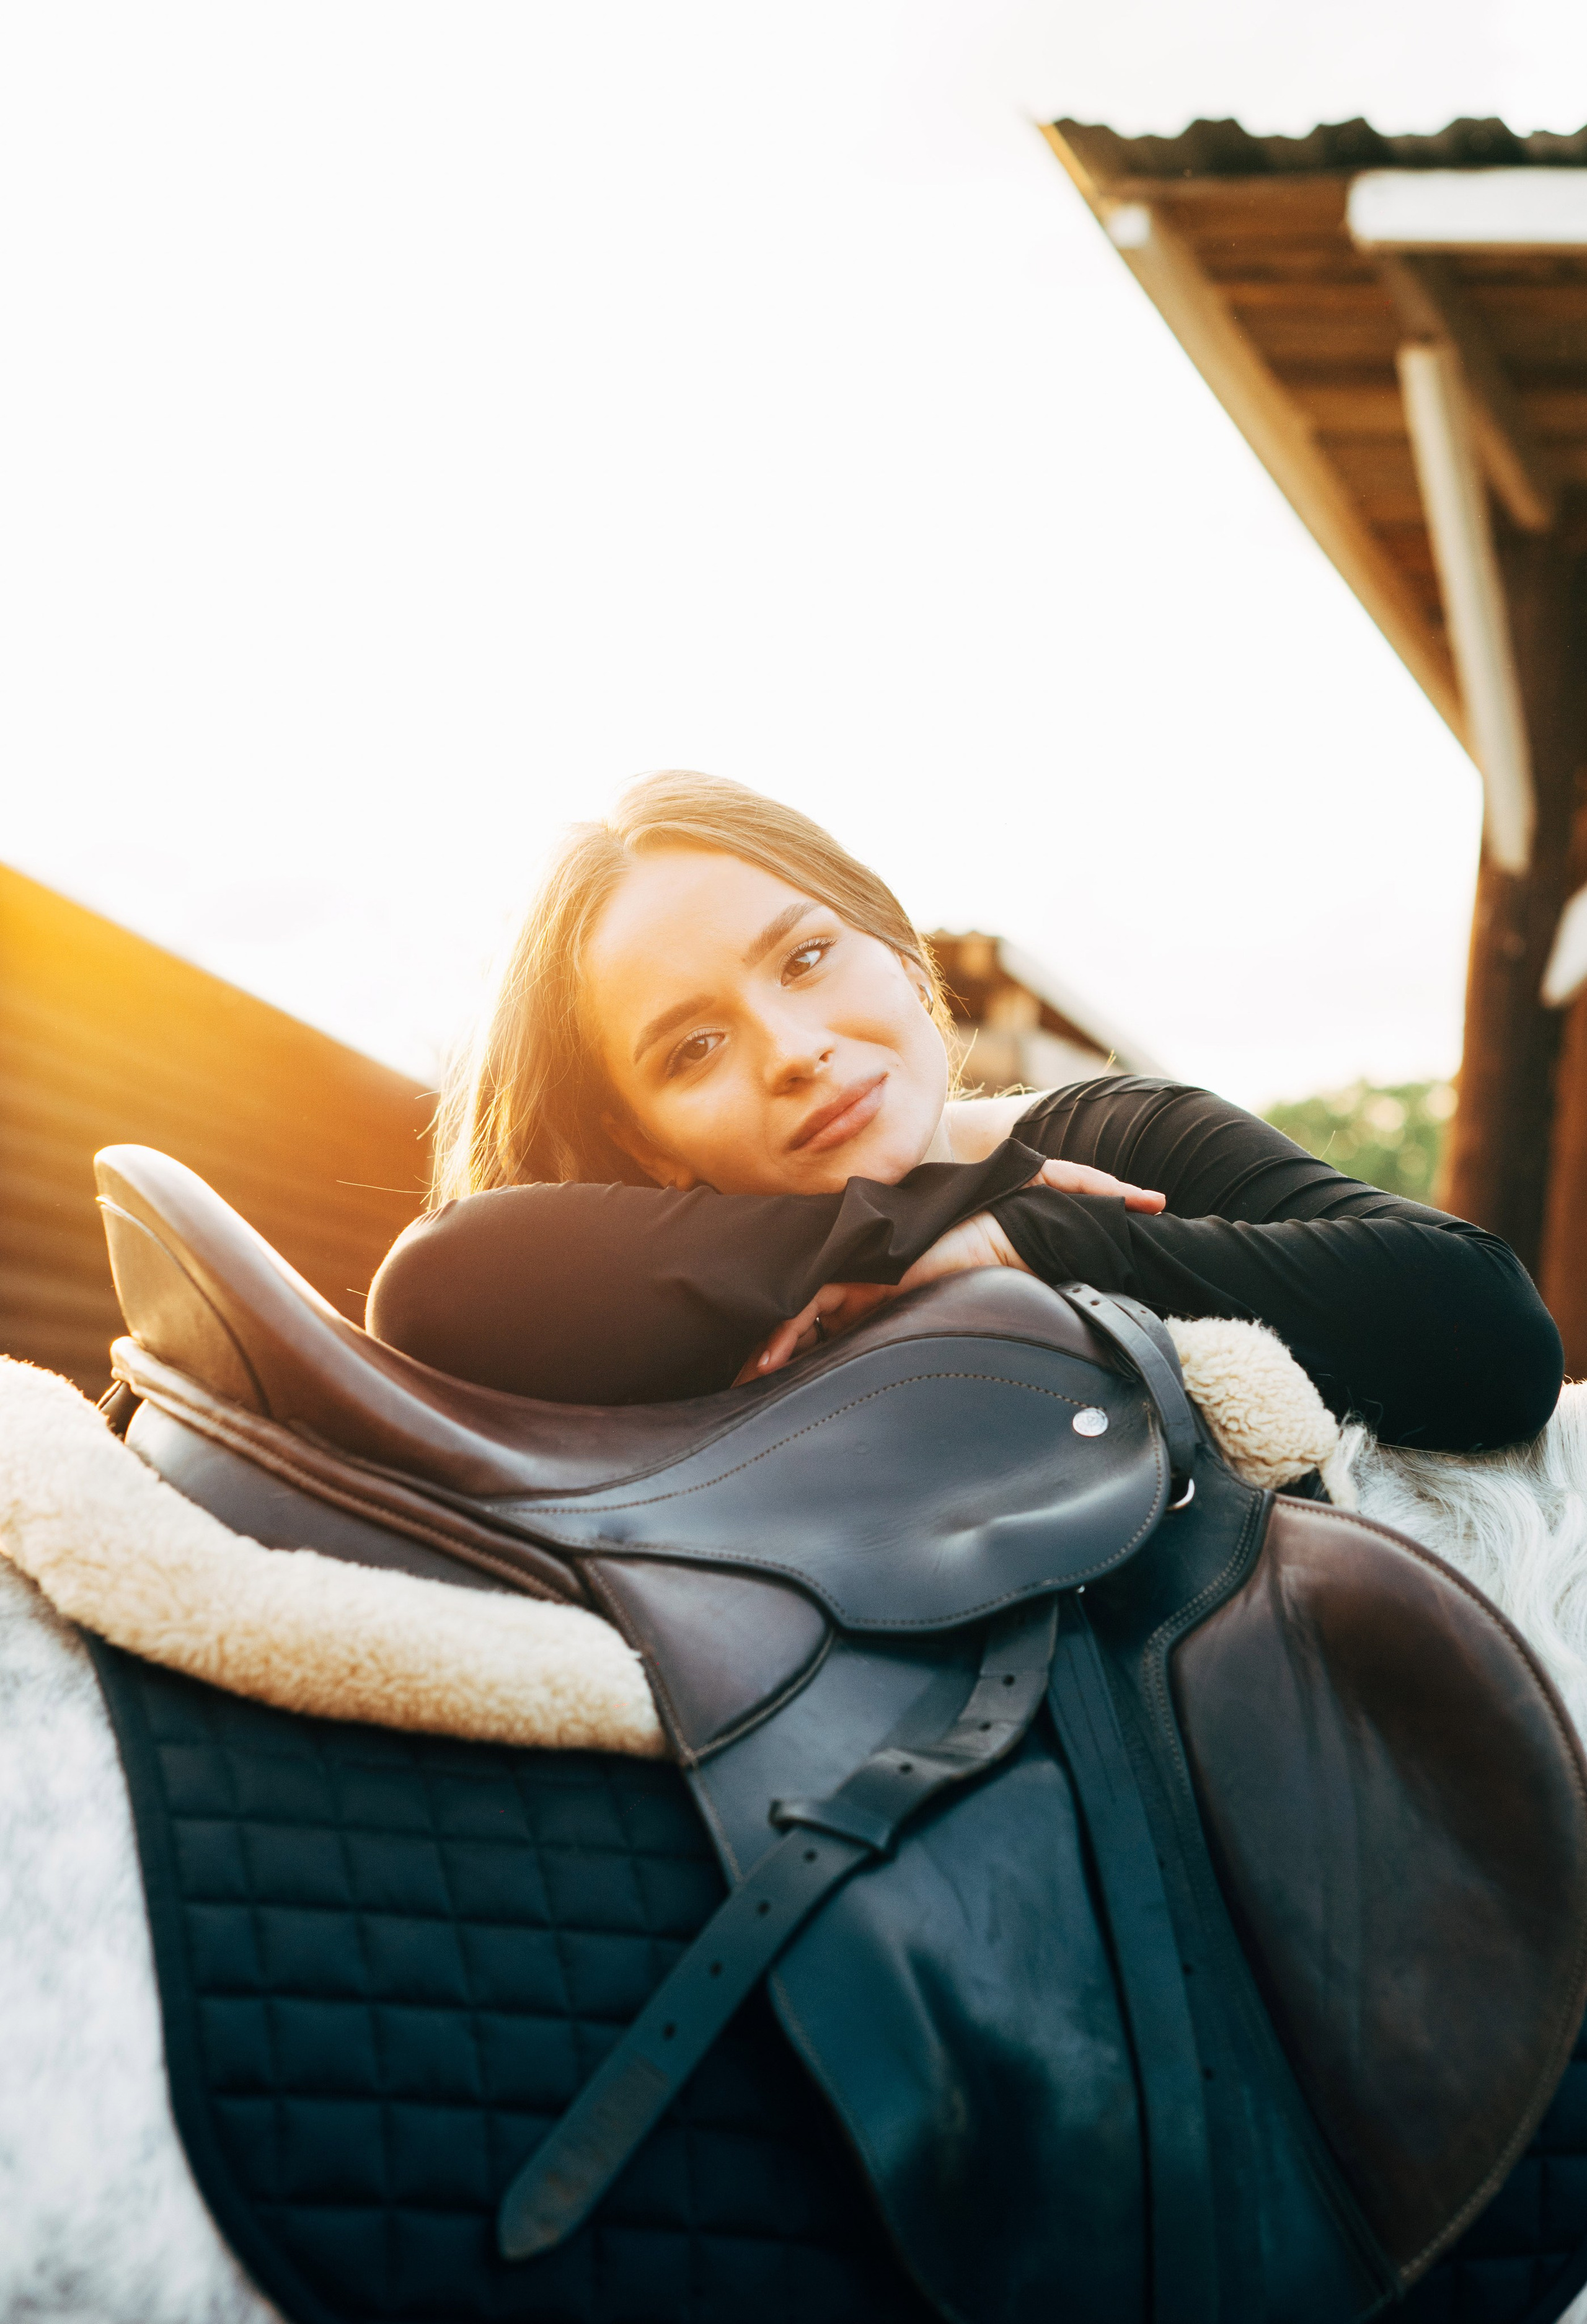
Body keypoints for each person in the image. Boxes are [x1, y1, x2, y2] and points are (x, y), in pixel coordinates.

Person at [368, 771, 1562, 1452]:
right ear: (642, 1142)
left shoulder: (1122, 1142)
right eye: (694, 1047)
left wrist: (1036, 1235)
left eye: (807, 958)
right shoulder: (612, 1271)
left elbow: (1493, 1331)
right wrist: (891, 1233)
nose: (793, 1051)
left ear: (897, 946)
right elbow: (437, 1288)